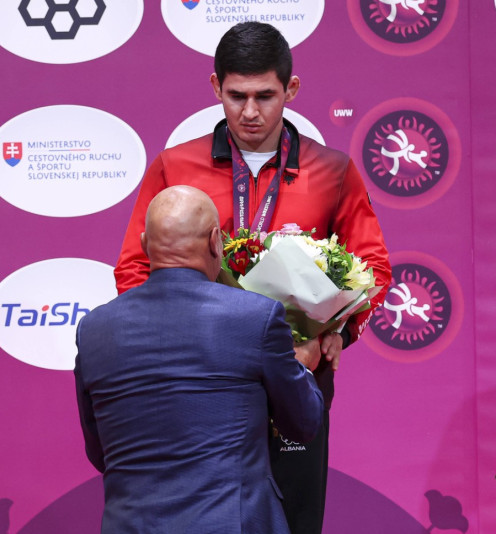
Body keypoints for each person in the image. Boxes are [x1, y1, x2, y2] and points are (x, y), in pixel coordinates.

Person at [113, 22, 391, 534]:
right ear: (215, 87)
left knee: (294, 521)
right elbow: (134, 268)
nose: (250, 112)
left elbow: (372, 268)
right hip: (198, 379)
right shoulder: (174, 167)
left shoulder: (333, 170)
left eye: (265, 95)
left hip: (297, 375)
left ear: (292, 89)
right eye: (236, 95)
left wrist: (336, 331)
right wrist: (178, 345)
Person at [75, 185, 324, 533]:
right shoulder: (256, 316)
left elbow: (100, 452)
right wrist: (302, 365)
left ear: (145, 244)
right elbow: (303, 423)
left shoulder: (93, 330)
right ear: (215, 241)